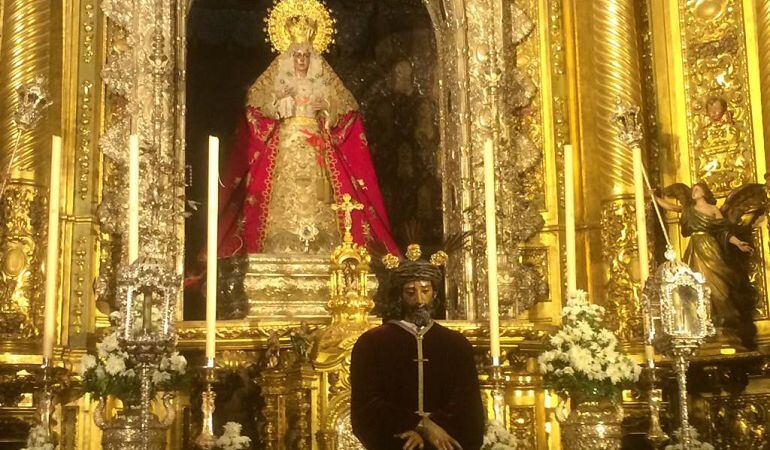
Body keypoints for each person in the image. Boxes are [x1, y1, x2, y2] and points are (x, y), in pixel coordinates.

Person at [215, 7, 398, 257]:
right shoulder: (275, 81)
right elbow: (255, 106)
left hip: (316, 149)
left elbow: (347, 111)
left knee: (320, 195)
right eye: (297, 55)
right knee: (283, 194)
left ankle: (324, 240)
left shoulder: (324, 82)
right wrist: (277, 105)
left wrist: (327, 110)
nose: (301, 59)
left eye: (305, 55)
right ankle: (280, 237)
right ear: (290, 56)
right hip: (286, 147)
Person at [350, 248, 484, 450]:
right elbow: (366, 405)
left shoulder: (456, 345)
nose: (420, 300)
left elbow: (467, 405)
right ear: (399, 295)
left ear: (435, 293)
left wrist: (436, 431)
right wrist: (416, 425)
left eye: (425, 291)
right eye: (411, 292)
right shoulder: (372, 344)